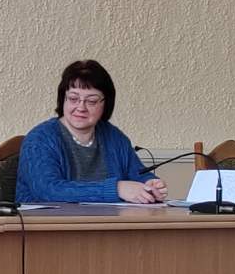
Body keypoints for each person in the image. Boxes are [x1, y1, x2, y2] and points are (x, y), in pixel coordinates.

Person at [16, 59, 167, 204]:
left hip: (106, 221)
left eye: (91, 101)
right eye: (73, 98)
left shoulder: (114, 137)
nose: (81, 107)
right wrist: (116, 189)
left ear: (106, 103)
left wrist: (150, 185)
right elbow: (49, 190)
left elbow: (137, 175)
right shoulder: (40, 139)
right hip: (46, 222)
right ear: (63, 99)